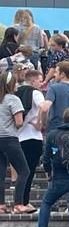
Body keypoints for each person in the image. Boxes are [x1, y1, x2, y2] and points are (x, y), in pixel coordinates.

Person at [0, 70, 31, 214]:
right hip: (10, 139)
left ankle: (1, 205)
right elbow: (19, 122)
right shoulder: (13, 99)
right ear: (12, 84)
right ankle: (18, 203)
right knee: (24, 171)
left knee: (0, 174)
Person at [15, 68, 44, 211]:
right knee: (29, 170)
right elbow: (44, 107)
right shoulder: (36, 93)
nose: (41, 83)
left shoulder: (17, 92)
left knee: (21, 171)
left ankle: (18, 201)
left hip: (18, 136)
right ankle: (24, 201)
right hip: (33, 136)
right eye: (39, 80)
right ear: (33, 81)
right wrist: (40, 123)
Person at [39, 61, 69, 131]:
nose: (54, 74)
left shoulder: (54, 88)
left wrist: (43, 124)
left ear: (63, 74)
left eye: (56, 72)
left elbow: (45, 108)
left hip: (56, 129)